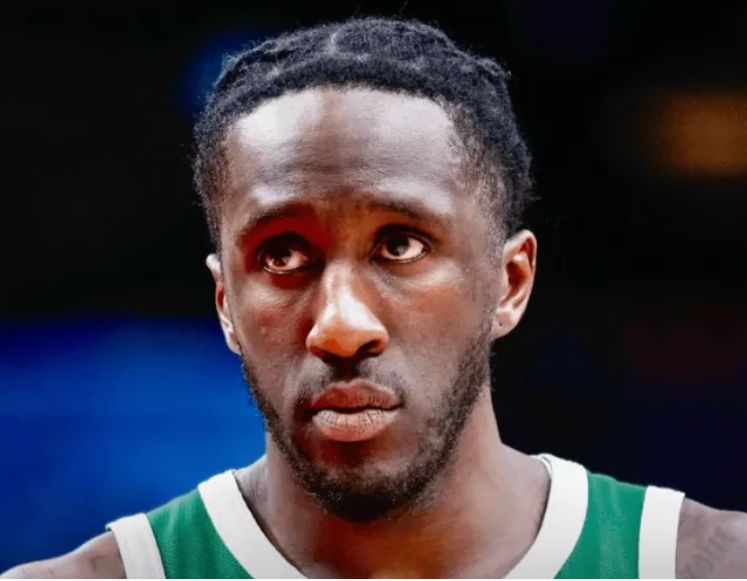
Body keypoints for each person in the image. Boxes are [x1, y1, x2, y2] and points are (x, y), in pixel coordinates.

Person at [4, 16, 746, 579]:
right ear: (225, 302)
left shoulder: (705, 567)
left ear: (510, 283)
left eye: (400, 246)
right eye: (282, 255)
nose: (341, 325)